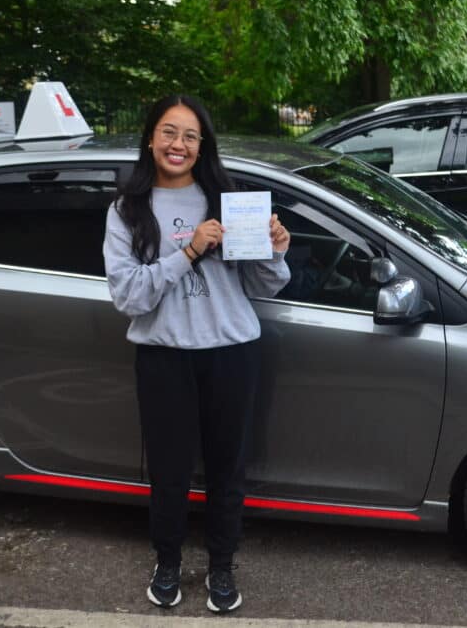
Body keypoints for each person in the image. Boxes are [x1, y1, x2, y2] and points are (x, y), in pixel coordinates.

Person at [102, 95, 291, 613]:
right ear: (150, 138)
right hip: (164, 357)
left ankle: (222, 568)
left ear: (201, 145)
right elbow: (128, 296)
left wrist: (275, 248)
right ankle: (167, 564)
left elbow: (264, 285)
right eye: (168, 132)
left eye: (189, 136)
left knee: (228, 469)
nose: (178, 145)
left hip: (232, 352)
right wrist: (187, 252)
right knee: (169, 471)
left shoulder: (228, 200)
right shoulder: (126, 211)